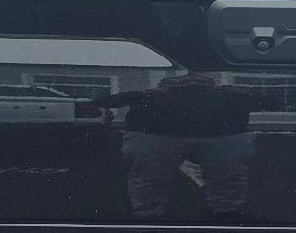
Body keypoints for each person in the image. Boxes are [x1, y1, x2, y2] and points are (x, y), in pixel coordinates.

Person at [104, 73, 260, 220]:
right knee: (228, 181)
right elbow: (270, 102)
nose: (190, 85)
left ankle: (148, 223)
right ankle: (226, 218)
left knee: (148, 181)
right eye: (184, 83)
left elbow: (106, 101)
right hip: (218, 133)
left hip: (158, 134)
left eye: (196, 83)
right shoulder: (148, 95)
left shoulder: (148, 96)